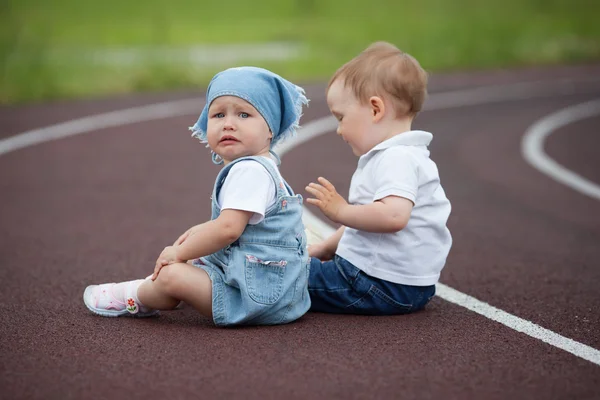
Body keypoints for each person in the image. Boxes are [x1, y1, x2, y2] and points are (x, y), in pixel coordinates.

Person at [83, 67, 311, 326]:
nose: (228, 123)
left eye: (244, 114)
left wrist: (176, 253)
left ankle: (136, 296)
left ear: (270, 129)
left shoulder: (249, 170)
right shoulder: (262, 165)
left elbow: (228, 229)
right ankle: (164, 287)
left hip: (256, 299)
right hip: (280, 294)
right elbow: (241, 224)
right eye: (218, 114)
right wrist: (197, 235)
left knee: (172, 275)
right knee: (197, 241)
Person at [305, 42, 452, 315]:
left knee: (284, 274)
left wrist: (341, 210)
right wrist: (327, 247)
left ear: (375, 109)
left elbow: (394, 217)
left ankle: (214, 283)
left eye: (341, 117)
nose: (338, 130)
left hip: (376, 283)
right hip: (409, 286)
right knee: (303, 267)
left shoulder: (395, 158)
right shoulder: (410, 155)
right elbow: (368, 219)